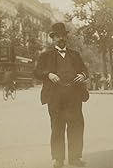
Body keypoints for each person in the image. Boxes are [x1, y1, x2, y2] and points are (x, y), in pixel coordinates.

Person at [34, 22, 89, 168]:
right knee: (57, 127)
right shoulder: (45, 56)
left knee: (76, 126)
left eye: (63, 35)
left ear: (66, 37)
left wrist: (83, 75)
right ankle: (58, 159)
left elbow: (85, 69)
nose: (61, 38)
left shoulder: (75, 55)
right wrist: (49, 74)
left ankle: (75, 158)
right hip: (55, 98)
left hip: (74, 96)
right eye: (57, 36)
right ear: (53, 38)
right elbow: (37, 72)